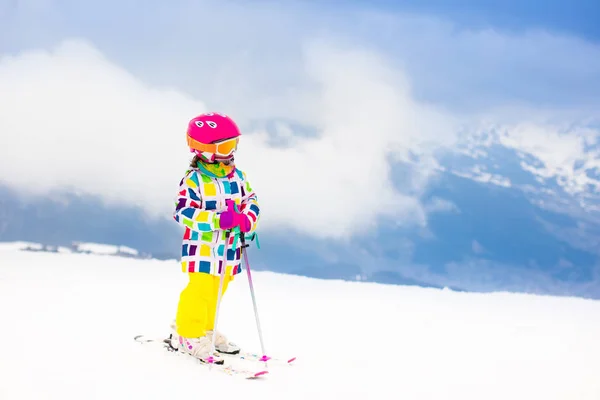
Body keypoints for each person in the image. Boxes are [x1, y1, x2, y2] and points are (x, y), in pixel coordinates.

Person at [169, 112, 260, 363]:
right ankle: (187, 332)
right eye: (225, 146)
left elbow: (251, 200)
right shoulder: (194, 180)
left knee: (217, 290)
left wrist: (246, 218)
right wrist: (217, 220)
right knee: (200, 288)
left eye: (234, 145)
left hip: (230, 248)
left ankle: (205, 328)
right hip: (202, 247)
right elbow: (183, 212)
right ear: (204, 149)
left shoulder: (237, 177)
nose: (231, 152)